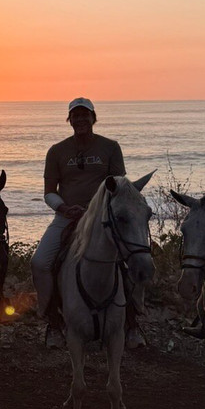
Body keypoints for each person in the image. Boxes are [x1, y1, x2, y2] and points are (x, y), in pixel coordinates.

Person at [31, 98, 126, 349]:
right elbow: (49, 191)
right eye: (76, 115)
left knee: (130, 258)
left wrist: (97, 208)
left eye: (86, 115)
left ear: (94, 118)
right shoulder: (57, 151)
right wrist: (63, 207)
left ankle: (133, 320)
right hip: (67, 216)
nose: (81, 119)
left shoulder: (110, 148)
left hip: (101, 218)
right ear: (69, 120)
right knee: (40, 262)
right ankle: (52, 320)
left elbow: (119, 187)